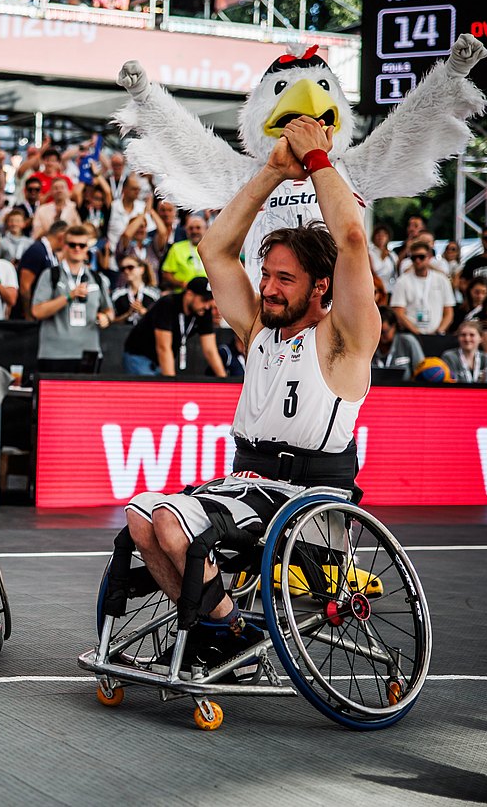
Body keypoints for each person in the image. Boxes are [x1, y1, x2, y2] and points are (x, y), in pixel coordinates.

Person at [123, 116, 380, 674]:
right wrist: (270, 171)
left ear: (321, 287)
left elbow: (353, 240)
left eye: (283, 279)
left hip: (306, 498)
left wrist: (317, 163)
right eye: (265, 275)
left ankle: (225, 635)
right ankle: (221, 630)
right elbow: (215, 250)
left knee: (171, 521)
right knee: (142, 517)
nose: (266, 288)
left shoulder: (342, 342)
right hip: (246, 486)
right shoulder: (259, 332)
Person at [29, 224, 112, 371]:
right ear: (64, 246)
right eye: (72, 244)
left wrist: (106, 318)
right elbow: (37, 311)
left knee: (87, 394)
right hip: (54, 354)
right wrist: (69, 296)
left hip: (89, 353)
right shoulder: (50, 275)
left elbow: (108, 309)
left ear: (87, 248)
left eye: (82, 245)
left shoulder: (96, 278)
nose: (77, 249)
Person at [121, 276, 224, 377]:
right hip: (139, 356)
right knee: (151, 392)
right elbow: (163, 347)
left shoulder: (203, 311)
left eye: (210, 300)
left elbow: (210, 350)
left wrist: (223, 380)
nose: (207, 306)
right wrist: (171, 384)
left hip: (161, 360)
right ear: (189, 294)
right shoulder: (168, 304)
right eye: (204, 300)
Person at [390, 238, 454, 334]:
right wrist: (416, 332)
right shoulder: (402, 281)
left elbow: (449, 311)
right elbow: (399, 312)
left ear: (429, 257)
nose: (417, 260)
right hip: (411, 334)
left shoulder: (441, 279)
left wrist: (439, 331)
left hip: (436, 335)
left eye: (421, 257)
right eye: (414, 258)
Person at [372, 306, 425, 380]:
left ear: (394, 327)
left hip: (405, 388)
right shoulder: (370, 345)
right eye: (377, 332)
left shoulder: (408, 342)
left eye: (384, 332)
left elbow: (422, 369)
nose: (380, 336)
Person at [159, 214, 207, 290]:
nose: (194, 231)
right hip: (184, 293)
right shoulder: (176, 248)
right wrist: (182, 284)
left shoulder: (212, 249)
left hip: (209, 294)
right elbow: (166, 274)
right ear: (186, 230)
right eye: (191, 228)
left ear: (205, 229)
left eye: (198, 228)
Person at [111, 255, 160, 325]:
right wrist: (128, 314)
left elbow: (161, 320)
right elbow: (111, 322)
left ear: (142, 269)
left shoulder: (155, 293)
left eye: (130, 267)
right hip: (123, 334)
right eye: (122, 269)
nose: (126, 271)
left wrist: (144, 312)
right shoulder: (116, 294)